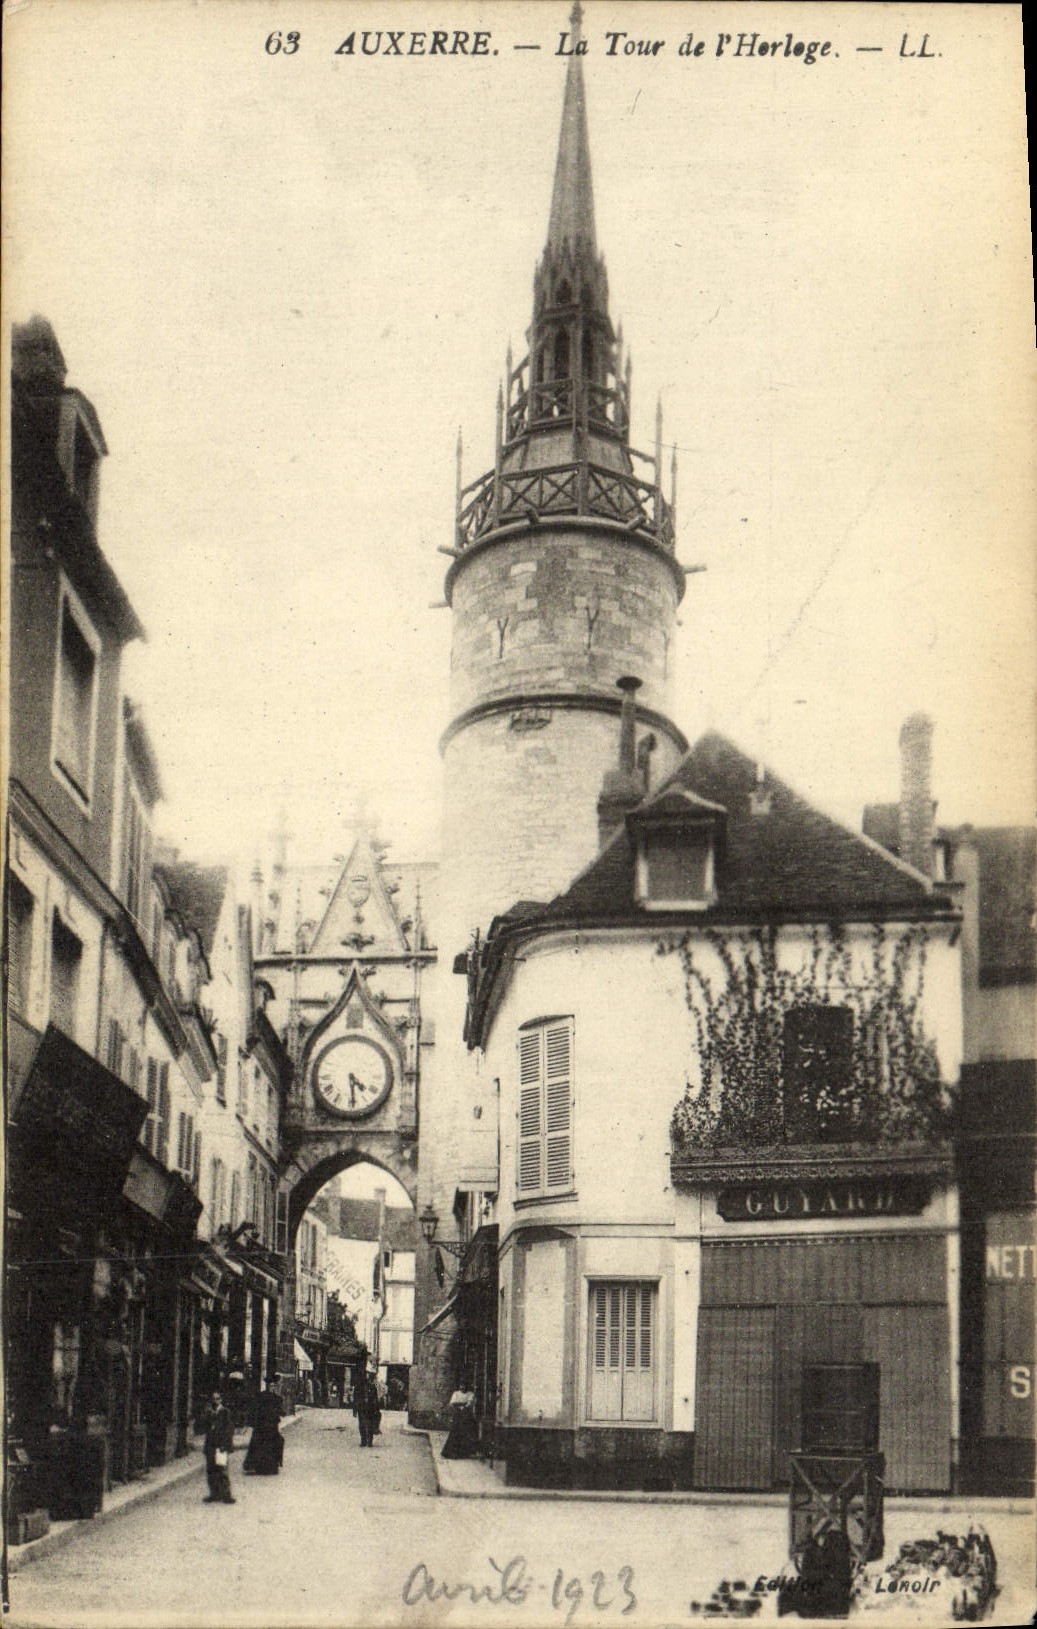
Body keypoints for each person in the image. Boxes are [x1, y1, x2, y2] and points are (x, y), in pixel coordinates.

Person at [243, 1380, 284, 1476]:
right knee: (262, 1445)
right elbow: (256, 1409)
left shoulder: (277, 1398)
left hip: (272, 1426)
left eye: (274, 1385)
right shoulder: (261, 1396)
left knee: (273, 1444)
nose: (272, 1387)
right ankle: (260, 1467)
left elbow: (279, 1411)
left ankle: (272, 1467)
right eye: (271, 1385)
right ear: (267, 1386)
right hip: (262, 1425)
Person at [203, 1390, 235, 1503]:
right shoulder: (209, 1413)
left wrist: (225, 1445)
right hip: (211, 1445)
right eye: (213, 1399)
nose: (215, 1401)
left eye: (217, 1399)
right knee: (211, 1470)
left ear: (221, 1400)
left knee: (222, 1470)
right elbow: (205, 1428)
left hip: (221, 1445)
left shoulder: (225, 1412)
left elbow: (229, 1430)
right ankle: (214, 1493)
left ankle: (226, 1494)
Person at [441, 1383, 478, 1459]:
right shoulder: (456, 1393)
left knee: (465, 1433)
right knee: (455, 1432)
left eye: (464, 1385)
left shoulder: (470, 1394)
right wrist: (462, 1403)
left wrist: (459, 1404)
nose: (462, 1387)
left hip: (466, 1416)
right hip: (457, 1415)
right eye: (461, 1385)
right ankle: (452, 1453)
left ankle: (464, 1453)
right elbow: (452, 1403)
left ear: (467, 1386)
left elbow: (469, 1404)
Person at [353, 1367, 381, 1448]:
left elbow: (375, 1399)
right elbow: (355, 1399)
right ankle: (363, 1440)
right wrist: (355, 1410)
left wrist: (377, 1409)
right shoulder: (358, 1387)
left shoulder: (372, 1387)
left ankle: (370, 1441)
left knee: (370, 1425)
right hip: (361, 1408)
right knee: (361, 1425)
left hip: (370, 1409)